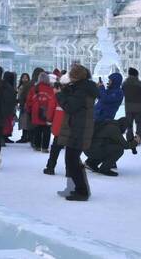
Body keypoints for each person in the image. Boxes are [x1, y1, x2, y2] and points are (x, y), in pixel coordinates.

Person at [55, 64, 98, 201]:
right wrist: (65, 89)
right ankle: (74, 188)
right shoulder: (82, 87)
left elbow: (70, 106)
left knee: (72, 161)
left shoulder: (82, 90)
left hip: (79, 130)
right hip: (77, 128)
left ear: (76, 77)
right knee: (72, 161)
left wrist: (59, 95)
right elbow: (72, 98)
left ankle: (82, 191)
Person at [43, 73, 68, 175]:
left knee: (55, 148)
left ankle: (50, 167)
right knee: (70, 150)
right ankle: (70, 170)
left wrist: (49, 119)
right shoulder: (74, 95)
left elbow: (51, 109)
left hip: (59, 125)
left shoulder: (57, 96)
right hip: (70, 126)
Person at [26, 71, 56, 152]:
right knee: (47, 130)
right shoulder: (51, 89)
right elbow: (54, 101)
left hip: (36, 112)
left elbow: (28, 101)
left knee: (37, 130)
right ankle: (45, 147)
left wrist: (29, 110)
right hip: (48, 112)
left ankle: (37, 145)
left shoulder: (34, 88)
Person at [122, 67, 141, 151]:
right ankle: (138, 137)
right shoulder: (140, 83)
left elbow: (122, 92)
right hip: (139, 107)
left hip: (128, 107)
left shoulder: (125, 83)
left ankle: (129, 138)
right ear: (136, 74)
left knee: (129, 123)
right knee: (140, 123)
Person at [15, 73, 33, 143]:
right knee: (24, 121)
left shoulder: (27, 86)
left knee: (25, 121)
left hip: (25, 105)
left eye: (26, 77)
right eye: (23, 77)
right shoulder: (21, 86)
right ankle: (25, 136)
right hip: (22, 105)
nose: (24, 79)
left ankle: (25, 136)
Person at [2, 71, 18, 143]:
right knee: (7, 123)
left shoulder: (3, 85)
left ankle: (4, 136)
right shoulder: (9, 87)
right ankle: (5, 137)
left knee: (6, 123)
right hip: (8, 108)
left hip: (4, 107)